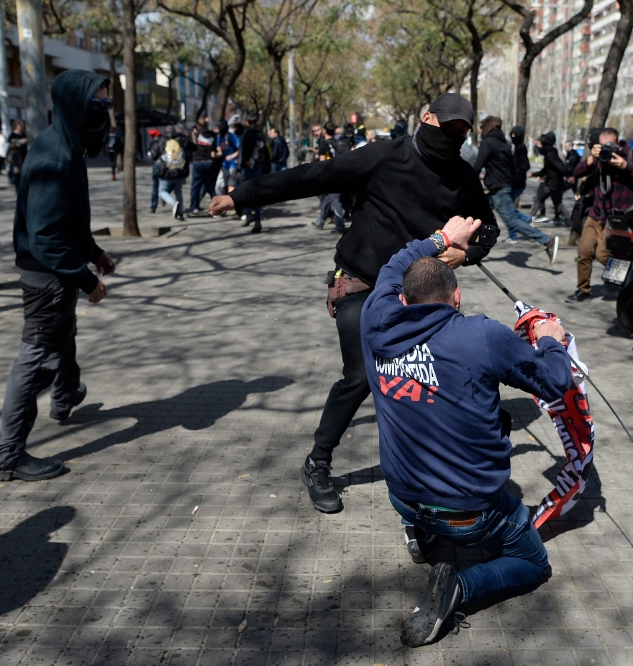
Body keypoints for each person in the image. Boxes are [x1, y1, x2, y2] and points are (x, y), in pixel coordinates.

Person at [207, 92, 499, 514]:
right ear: (426, 117)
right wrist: (241, 196)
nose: (452, 136)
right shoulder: (384, 156)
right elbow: (311, 176)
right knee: (363, 373)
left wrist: (466, 254)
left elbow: (488, 229)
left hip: (417, 296)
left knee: (429, 376)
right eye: (446, 126)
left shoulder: (462, 176)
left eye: (461, 130)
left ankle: (429, 475)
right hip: (360, 283)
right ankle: (317, 462)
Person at [360, 215, 572, 646]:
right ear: (455, 296)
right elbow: (555, 381)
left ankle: (419, 533)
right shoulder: (480, 335)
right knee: (534, 563)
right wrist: (550, 339)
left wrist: (440, 237)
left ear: (402, 297)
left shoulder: (375, 319)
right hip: (470, 514)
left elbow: (388, 268)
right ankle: (459, 588)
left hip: (401, 495)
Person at [0, 70, 117, 482]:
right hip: (47, 277)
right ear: (75, 105)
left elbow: (68, 219)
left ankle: (64, 397)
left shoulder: (67, 147)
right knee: (36, 359)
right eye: (97, 104)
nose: (103, 112)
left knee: (65, 334)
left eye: (107, 104)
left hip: (54, 275)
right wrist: (86, 279)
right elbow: (45, 237)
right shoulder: (54, 156)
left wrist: (94, 252)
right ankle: (7, 455)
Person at [566, 127, 633, 303]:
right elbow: (577, 172)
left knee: (603, 255)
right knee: (584, 251)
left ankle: (628, 278)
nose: (606, 148)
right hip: (596, 213)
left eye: (609, 145)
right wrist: (592, 158)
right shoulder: (599, 157)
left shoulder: (630, 153)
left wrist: (626, 166)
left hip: (616, 216)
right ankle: (582, 290)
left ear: (617, 142)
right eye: (602, 145)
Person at [472, 116, 557, 261]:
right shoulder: (504, 144)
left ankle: (547, 241)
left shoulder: (488, 143)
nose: (480, 131)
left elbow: (477, 166)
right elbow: (511, 168)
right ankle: (473, 246)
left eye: (481, 127)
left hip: (498, 190)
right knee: (477, 215)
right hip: (499, 188)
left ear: (487, 127)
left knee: (511, 222)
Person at [530, 132, 571, 225]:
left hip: (551, 183)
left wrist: (569, 174)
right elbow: (547, 169)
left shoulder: (550, 153)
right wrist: (534, 174)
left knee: (539, 199)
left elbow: (559, 165)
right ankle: (568, 221)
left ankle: (528, 218)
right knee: (558, 203)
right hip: (555, 182)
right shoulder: (551, 152)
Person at [237, 116, 269, 231]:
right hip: (257, 168)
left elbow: (241, 153)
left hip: (246, 168)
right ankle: (257, 220)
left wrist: (238, 169)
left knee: (244, 192)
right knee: (257, 194)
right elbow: (266, 154)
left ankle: (247, 213)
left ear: (246, 122)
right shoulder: (261, 136)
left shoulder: (245, 136)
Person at [313, 122, 346, 233]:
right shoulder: (337, 142)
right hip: (339, 173)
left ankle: (340, 226)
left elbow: (322, 161)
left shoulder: (324, 143)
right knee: (327, 198)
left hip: (330, 176)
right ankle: (320, 222)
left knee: (335, 200)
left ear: (325, 131)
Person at [188, 121, 218, 214]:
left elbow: (193, 146)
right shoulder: (213, 135)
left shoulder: (196, 134)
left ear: (197, 126)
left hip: (198, 162)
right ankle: (219, 205)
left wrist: (193, 135)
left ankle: (194, 207)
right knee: (209, 186)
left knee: (195, 187)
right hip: (209, 162)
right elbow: (215, 147)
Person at [156, 138, 189, 220]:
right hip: (179, 176)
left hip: (167, 177)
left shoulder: (165, 155)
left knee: (162, 192)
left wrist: (160, 175)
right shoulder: (181, 153)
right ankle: (180, 212)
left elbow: (162, 167)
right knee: (178, 192)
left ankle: (173, 204)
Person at [509, 125, 532, 227]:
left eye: (515, 135)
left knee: (508, 209)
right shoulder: (518, 147)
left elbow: (526, 165)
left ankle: (526, 219)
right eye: (512, 135)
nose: (513, 137)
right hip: (516, 182)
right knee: (508, 209)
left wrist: (516, 172)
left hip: (518, 183)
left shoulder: (521, 148)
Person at [146, 128, 166, 213]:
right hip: (165, 166)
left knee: (155, 186)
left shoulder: (154, 143)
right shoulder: (165, 141)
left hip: (157, 166)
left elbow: (153, 155)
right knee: (165, 185)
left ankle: (153, 206)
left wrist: (149, 155)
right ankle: (165, 196)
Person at [7, 120, 28, 186]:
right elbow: (9, 145)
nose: (22, 126)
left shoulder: (23, 133)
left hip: (23, 154)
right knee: (16, 170)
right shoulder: (12, 135)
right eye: (20, 125)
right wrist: (19, 142)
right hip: (15, 155)